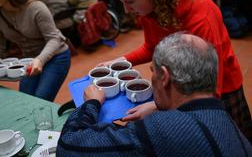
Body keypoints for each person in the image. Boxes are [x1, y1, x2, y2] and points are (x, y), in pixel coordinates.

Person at [98, 0, 252, 141]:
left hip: (219, 90)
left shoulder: (200, 15)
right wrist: (121, 61)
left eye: (130, 2)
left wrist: (158, 106)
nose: (126, 10)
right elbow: (151, 47)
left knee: (228, 143)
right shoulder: (150, 9)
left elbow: (211, 89)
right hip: (179, 89)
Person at [57, 33, 252, 156]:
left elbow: (69, 146)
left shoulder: (162, 129)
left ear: (165, 77)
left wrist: (91, 104)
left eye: (153, 71)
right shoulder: (228, 122)